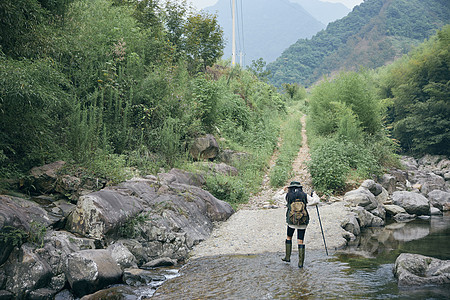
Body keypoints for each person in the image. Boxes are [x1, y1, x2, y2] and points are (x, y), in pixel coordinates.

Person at [281, 181, 309, 268]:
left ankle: (287, 257)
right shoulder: (304, 195)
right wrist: (314, 194)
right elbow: (315, 201)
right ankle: (300, 264)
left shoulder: (288, 196)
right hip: (303, 221)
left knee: (289, 237)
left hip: (291, 221)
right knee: (300, 240)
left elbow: (276, 198)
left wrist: (282, 190)